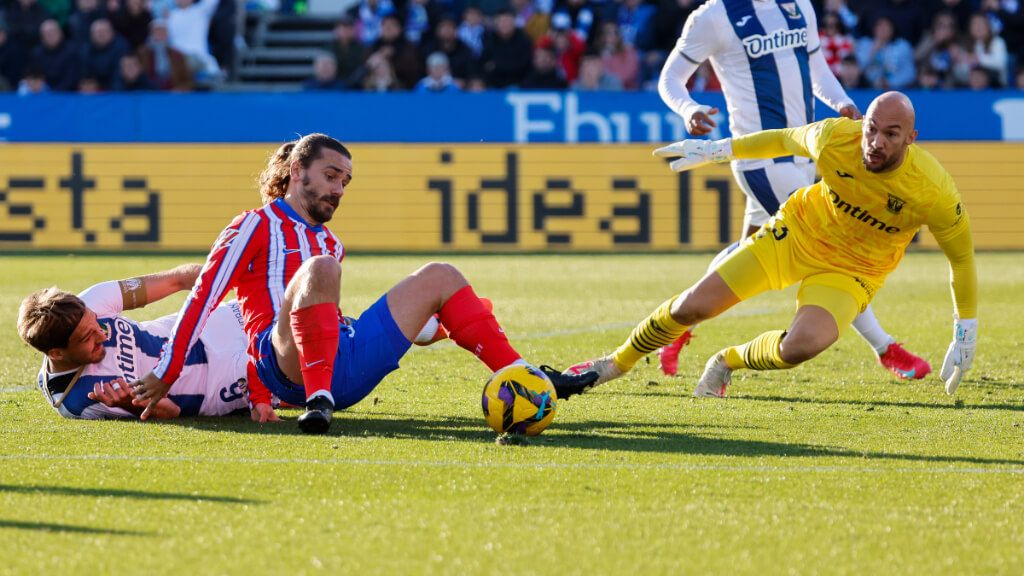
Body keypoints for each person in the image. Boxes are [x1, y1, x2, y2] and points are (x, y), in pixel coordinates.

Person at [131, 134, 597, 434]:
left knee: (442, 275)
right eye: (331, 176)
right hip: (285, 367)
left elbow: (323, 322)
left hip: (343, 362)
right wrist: (169, 369)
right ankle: (317, 402)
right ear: (297, 171)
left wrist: (437, 324)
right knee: (319, 270)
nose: (338, 189)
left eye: (345, 182)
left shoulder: (330, 241)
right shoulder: (253, 225)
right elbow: (206, 294)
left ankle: (530, 380)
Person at [565, 92, 977, 400]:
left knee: (800, 347)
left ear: (911, 139)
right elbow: (783, 139)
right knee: (691, 307)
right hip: (795, 235)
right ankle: (613, 365)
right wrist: (715, 150)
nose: (875, 142)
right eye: (871, 128)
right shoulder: (836, 137)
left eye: (891, 134)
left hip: (853, 272)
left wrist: (965, 329)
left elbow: (960, 259)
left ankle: (726, 360)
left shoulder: (933, 190)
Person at [654, 0, 930, 381]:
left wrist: (843, 103)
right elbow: (669, 78)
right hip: (761, 159)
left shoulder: (799, 6)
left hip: (803, 152)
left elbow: (816, 68)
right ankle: (885, 348)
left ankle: (677, 327)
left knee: (745, 249)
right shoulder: (714, 16)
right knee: (826, 246)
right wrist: (687, 109)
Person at [17, 265, 251, 420]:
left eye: (96, 324)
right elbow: (173, 412)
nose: (102, 335)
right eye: (88, 338)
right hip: (219, 382)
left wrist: (245, 280)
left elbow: (176, 280)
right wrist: (132, 404)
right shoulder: (81, 400)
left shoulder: (91, 301)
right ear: (56, 353)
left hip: (216, 322)